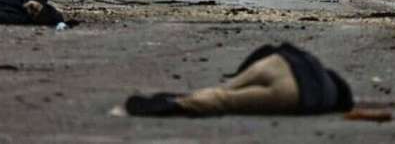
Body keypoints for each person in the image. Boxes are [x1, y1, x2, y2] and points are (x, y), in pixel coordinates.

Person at [125, 43, 354, 116]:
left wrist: (239, 73)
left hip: (278, 62)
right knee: (227, 101)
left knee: (226, 88)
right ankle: (180, 104)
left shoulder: (314, 63)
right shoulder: (328, 97)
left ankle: (203, 93)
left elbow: (267, 49)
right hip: (294, 92)